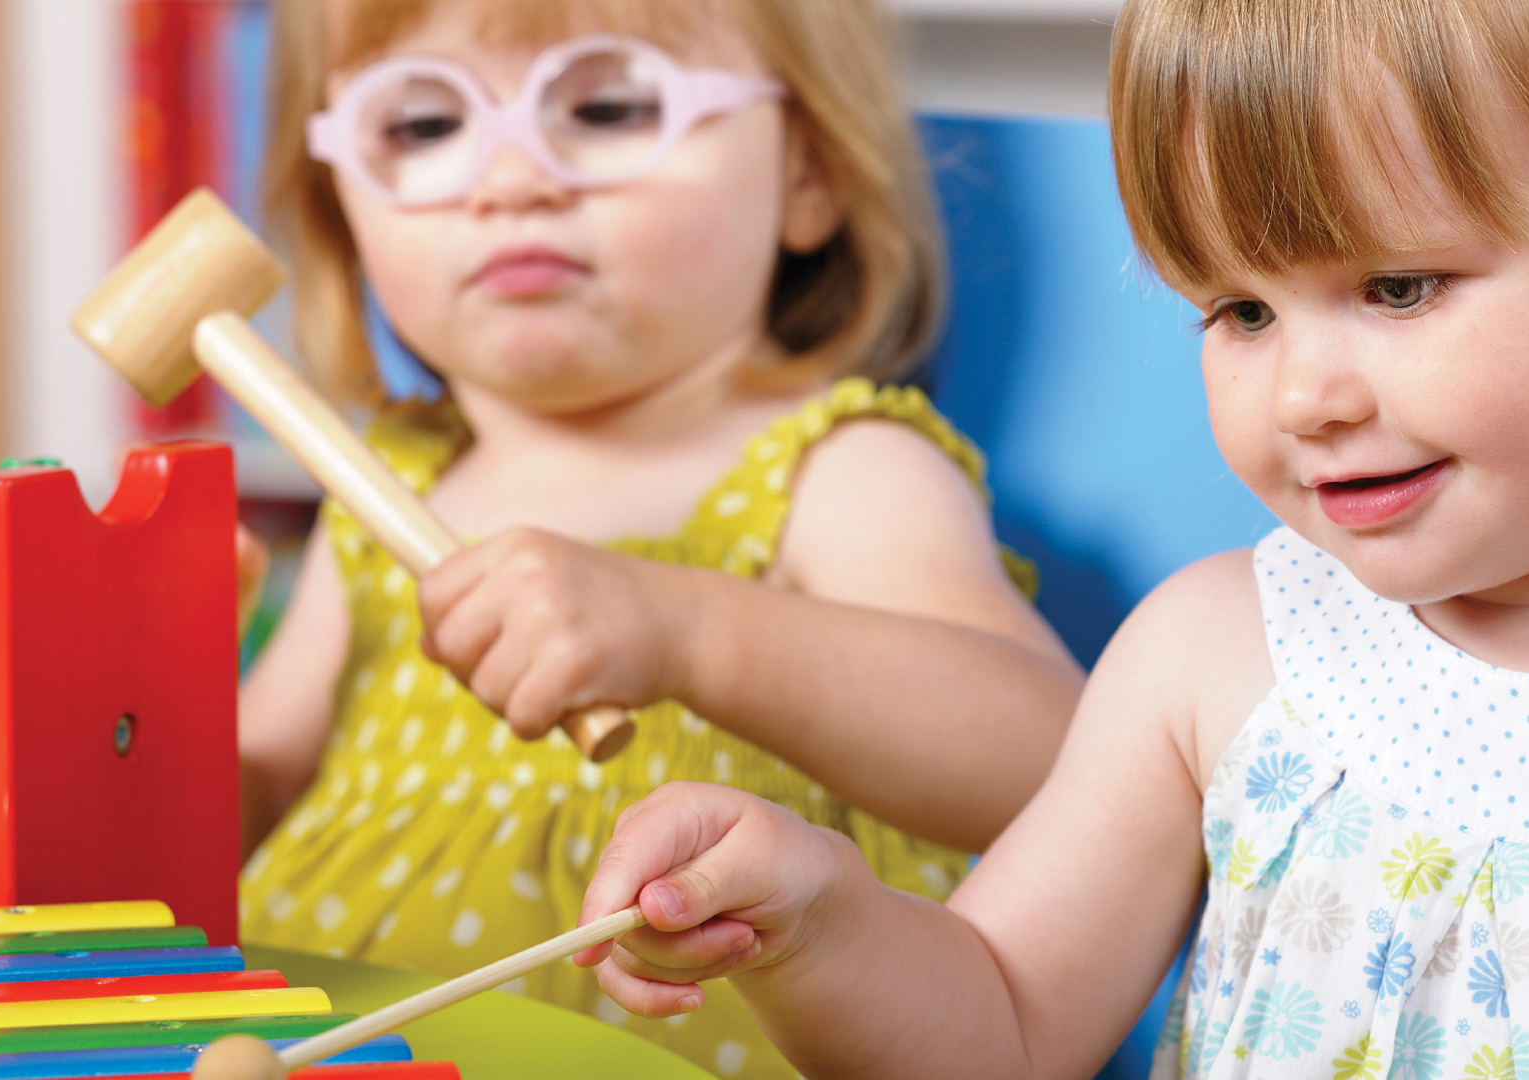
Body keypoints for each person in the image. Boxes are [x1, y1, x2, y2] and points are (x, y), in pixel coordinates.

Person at [570, 0, 1529, 1075]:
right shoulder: (1215, 659)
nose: (1308, 393)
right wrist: (817, 914)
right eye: (1239, 307)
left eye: (1398, 287)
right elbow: (997, 1023)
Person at [231, 1, 1084, 1075]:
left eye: (605, 105)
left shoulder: (830, 468)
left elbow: (1057, 767)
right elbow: (246, 800)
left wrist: (688, 631)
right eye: (424, 128)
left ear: (808, 172)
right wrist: (141, 708)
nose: (510, 182)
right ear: (336, 201)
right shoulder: (384, 488)